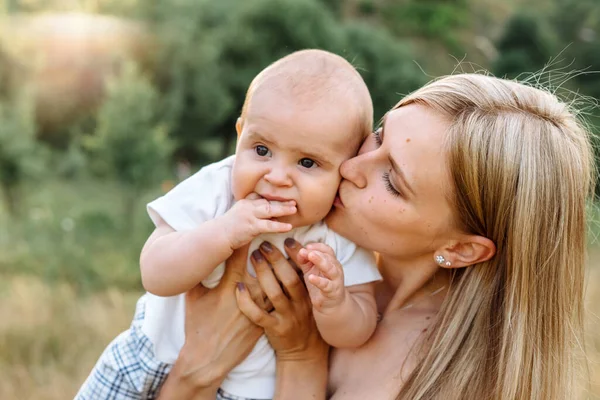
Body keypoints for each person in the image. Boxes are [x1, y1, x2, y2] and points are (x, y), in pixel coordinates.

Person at [78, 72, 594, 400]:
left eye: (392, 180)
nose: (350, 168)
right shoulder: (324, 241)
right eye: (378, 138)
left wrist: (297, 355)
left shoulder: (430, 377)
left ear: (460, 248)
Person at [77, 49, 382, 400]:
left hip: (250, 393)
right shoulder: (217, 189)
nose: (277, 176)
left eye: (308, 162)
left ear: (346, 168)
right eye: (262, 150)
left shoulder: (335, 231)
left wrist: (336, 302)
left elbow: (356, 330)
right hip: (148, 357)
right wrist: (222, 232)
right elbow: (154, 272)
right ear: (240, 135)